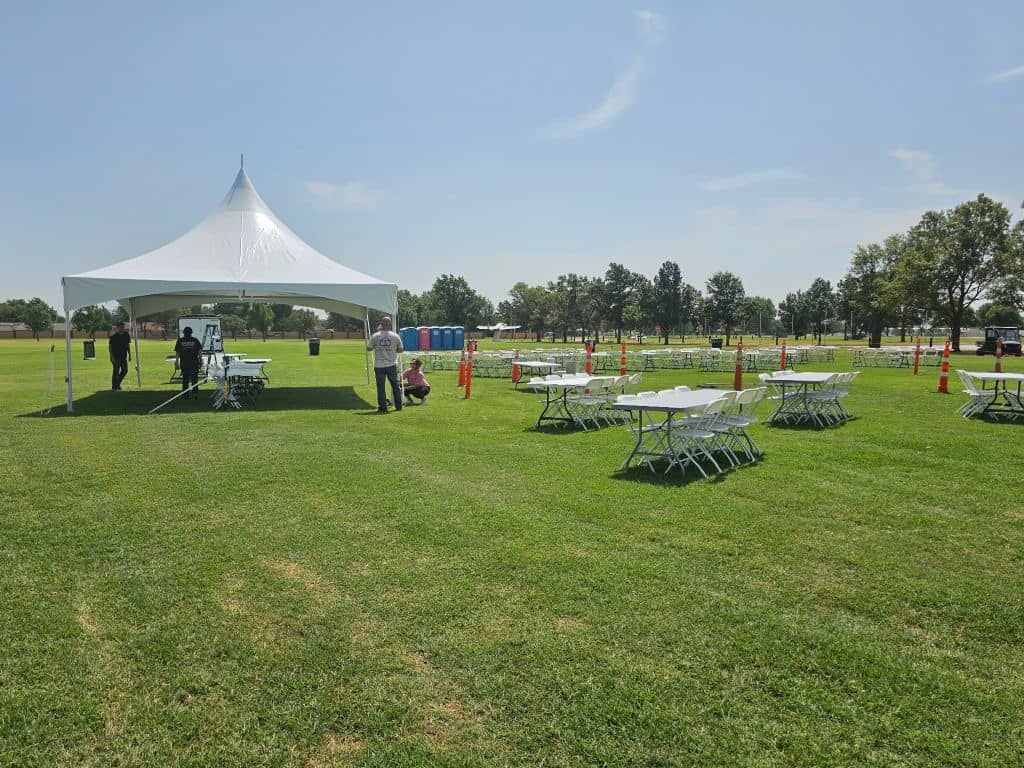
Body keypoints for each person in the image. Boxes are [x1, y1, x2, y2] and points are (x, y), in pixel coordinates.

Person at [367, 315, 403, 413]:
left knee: (381, 387)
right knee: (395, 386)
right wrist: (392, 349)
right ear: (390, 324)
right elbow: (401, 349)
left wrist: (377, 347)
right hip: (391, 364)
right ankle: (399, 406)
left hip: (379, 365)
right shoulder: (395, 336)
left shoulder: (375, 336)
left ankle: (383, 408)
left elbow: (369, 348)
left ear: (381, 324)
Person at [174, 326, 204, 399]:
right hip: (194, 362)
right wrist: (201, 360)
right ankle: (195, 394)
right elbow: (200, 351)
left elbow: (177, 353)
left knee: (185, 380)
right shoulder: (195, 340)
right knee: (194, 379)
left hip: (184, 363)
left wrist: (177, 362)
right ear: (191, 333)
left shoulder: (180, 341)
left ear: (184, 333)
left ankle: (185, 395)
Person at [108, 321, 131, 391]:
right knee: (116, 372)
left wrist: (130, 355)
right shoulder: (113, 336)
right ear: (117, 328)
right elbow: (110, 347)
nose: (121, 328)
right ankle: (115, 386)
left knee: (125, 370)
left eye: (122, 327)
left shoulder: (126, 335)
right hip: (116, 356)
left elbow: (128, 345)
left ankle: (117, 384)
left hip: (124, 356)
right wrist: (111, 357)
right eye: (120, 327)